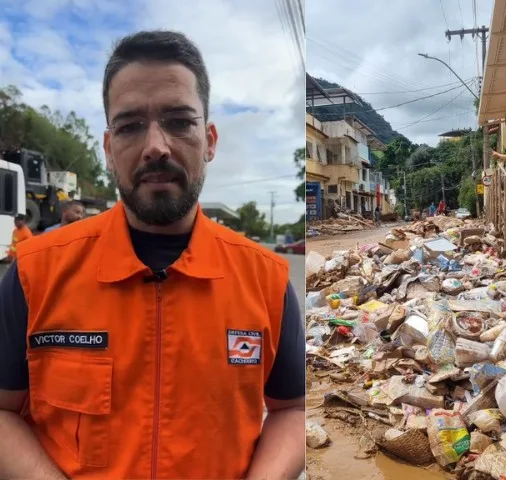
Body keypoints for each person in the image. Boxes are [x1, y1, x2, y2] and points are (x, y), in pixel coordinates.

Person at [0, 31, 305, 480]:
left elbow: (292, 410)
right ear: (108, 149)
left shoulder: (267, 280)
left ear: (211, 140)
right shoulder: (33, 273)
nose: (156, 145)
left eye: (179, 121)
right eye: (130, 126)